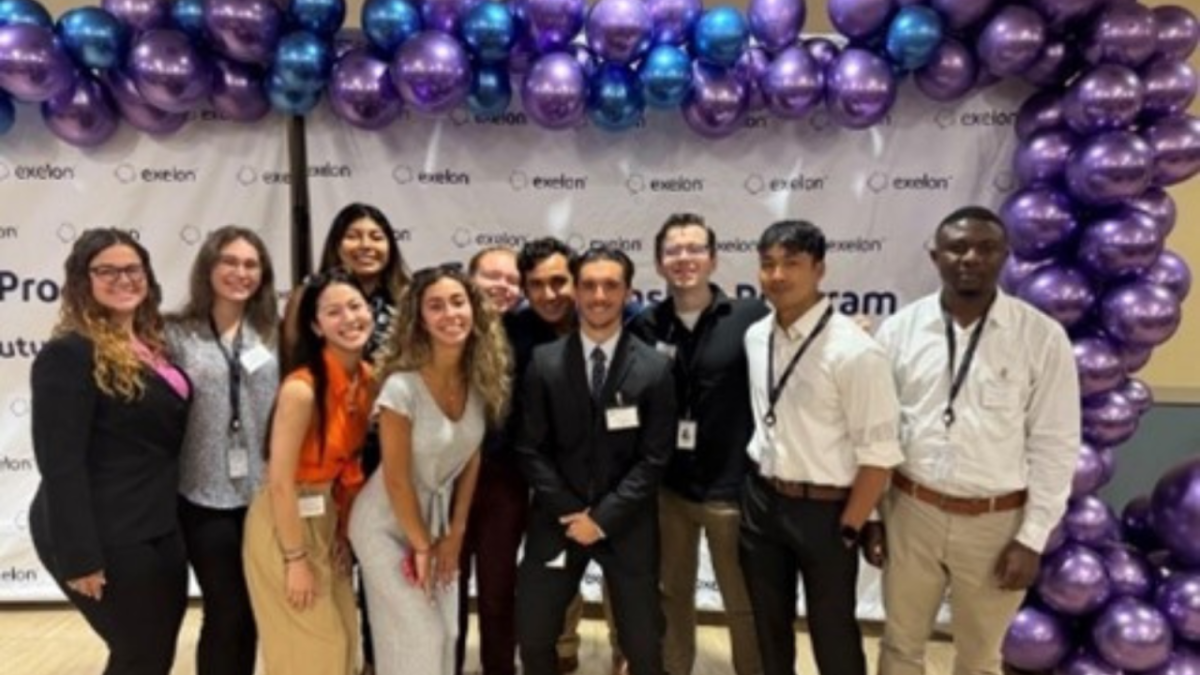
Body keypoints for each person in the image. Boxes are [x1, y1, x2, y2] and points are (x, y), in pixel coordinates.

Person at [873, 207, 1080, 675]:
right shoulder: (900, 331)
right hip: (911, 511)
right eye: (957, 248)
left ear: (1004, 256)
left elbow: (1055, 444)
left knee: (980, 657)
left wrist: (1031, 539)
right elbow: (875, 434)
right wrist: (871, 514)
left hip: (996, 521)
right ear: (935, 257)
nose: (970, 257)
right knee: (900, 646)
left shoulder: (1041, 338)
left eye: (985, 248)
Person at [740, 220, 903, 675]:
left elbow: (879, 456)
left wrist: (853, 523)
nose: (778, 275)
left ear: (820, 269)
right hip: (762, 501)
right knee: (768, 629)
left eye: (792, 263)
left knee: (833, 634)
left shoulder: (855, 351)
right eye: (768, 264)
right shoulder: (756, 336)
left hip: (828, 513)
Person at [29, 228, 192, 675]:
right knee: (139, 652)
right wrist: (79, 555)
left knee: (156, 651)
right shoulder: (68, 354)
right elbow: (60, 464)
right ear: (84, 281)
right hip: (104, 531)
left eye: (132, 269)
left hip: (158, 524)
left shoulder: (154, 345)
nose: (123, 279)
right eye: (107, 271)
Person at [515, 246, 676, 675]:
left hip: (627, 525)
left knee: (643, 643)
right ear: (576, 291)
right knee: (533, 636)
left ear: (628, 292)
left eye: (610, 285)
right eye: (588, 285)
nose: (599, 295)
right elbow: (530, 448)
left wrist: (602, 518)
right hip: (558, 521)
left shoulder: (655, 368)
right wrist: (571, 511)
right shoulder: (544, 362)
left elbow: (655, 457)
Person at [350, 266, 512, 675]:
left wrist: (455, 534)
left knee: (448, 638)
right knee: (422, 637)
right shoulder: (401, 388)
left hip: (437, 524)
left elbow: (471, 458)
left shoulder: (478, 381)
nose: (449, 314)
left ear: (474, 310)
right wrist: (422, 546)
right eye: (435, 306)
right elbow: (396, 478)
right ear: (420, 319)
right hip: (384, 526)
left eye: (457, 302)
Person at [627, 213, 766, 675]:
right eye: (673, 251)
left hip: (733, 489)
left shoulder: (750, 317)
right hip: (669, 490)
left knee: (743, 603)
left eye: (694, 249)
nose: (684, 258)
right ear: (659, 262)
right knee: (671, 596)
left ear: (713, 258)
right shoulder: (647, 326)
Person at [280, 202, 410, 672]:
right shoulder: (308, 299)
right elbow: (293, 366)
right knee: (332, 572)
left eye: (376, 235)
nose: (366, 245)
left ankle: (383, 661)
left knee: (383, 572)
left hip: (389, 458)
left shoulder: (407, 302)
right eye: (354, 235)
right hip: (326, 457)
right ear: (336, 243)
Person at [243, 270, 374, 675]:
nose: (349, 318)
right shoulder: (301, 389)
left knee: (345, 642)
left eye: (355, 306)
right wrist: (294, 559)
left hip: (328, 517)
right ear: (317, 326)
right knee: (312, 651)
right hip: (285, 524)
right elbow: (280, 482)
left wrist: (342, 532)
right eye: (333, 312)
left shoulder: (368, 379)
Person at [167, 227, 279, 675]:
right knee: (225, 606)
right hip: (202, 491)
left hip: (263, 493)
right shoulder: (176, 334)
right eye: (229, 262)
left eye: (251, 264)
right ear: (208, 267)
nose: (240, 272)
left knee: (252, 610)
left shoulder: (273, 333)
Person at [454, 246, 527, 675]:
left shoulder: (530, 334)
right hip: (447, 480)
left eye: (512, 279)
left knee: (500, 589)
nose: (503, 286)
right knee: (448, 588)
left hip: (504, 482)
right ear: (470, 279)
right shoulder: (445, 329)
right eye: (492, 276)